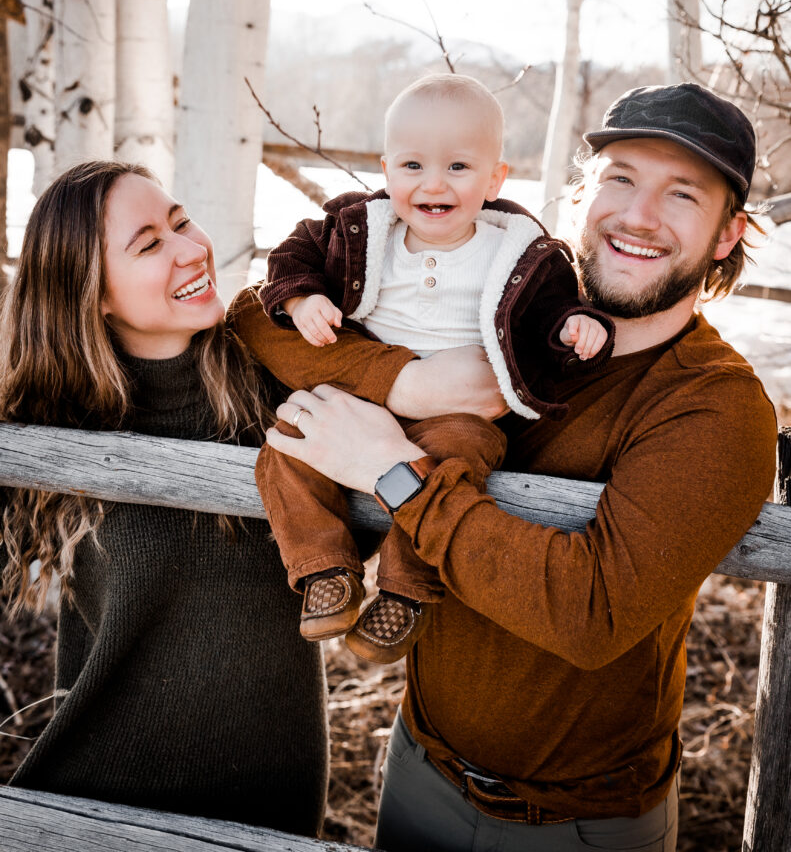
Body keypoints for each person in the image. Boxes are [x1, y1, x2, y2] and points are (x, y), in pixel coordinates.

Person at [232, 82, 778, 851]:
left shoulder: (713, 408)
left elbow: (592, 615)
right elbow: (257, 315)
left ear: (727, 235)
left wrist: (393, 473)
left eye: (682, 195)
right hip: (419, 763)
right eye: (619, 178)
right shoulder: (512, 303)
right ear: (585, 196)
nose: (639, 215)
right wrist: (403, 382)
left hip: (576, 823)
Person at [0, 162, 328, 835]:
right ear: (92, 296)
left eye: (181, 221)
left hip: (271, 797)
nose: (190, 248)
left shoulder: (276, 382)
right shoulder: (48, 430)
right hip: (99, 801)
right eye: (149, 244)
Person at [256, 73, 613, 664]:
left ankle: (404, 590)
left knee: (458, 459)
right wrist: (301, 298)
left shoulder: (518, 254)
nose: (433, 184)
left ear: (496, 179)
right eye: (414, 166)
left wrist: (576, 327)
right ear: (388, 170)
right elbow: (293, 252)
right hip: (359, 401)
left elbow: (549, 314)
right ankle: (325, 570)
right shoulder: (361, 230)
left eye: (458, 168)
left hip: (454, 416)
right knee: (287, 444)